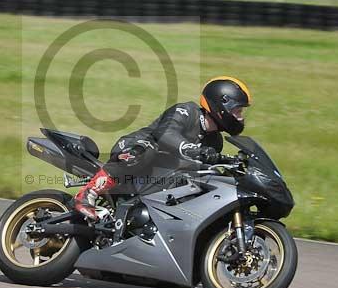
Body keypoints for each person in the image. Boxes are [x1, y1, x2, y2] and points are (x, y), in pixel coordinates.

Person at [74, 76, 252, 221]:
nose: (240, 118)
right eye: (237, 111)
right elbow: (165, 134)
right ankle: (87, 194)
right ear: (222, 105)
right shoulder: (186, 111)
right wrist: (191, 149)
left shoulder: (215, 142)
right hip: (133, 148)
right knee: (145, 149)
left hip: (158, 178)